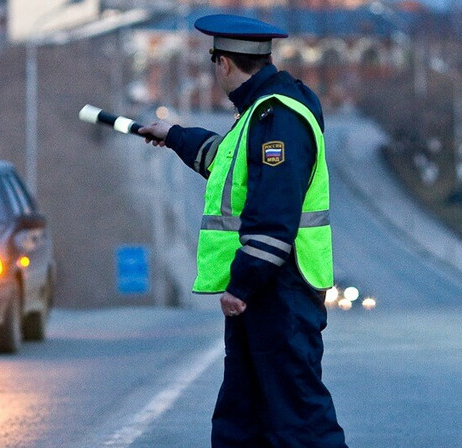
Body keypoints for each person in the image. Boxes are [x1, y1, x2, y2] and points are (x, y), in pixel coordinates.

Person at [138, 14, 348, 448]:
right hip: (265, 297)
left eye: (214, 61)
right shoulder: (260, 113)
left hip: (279, 292)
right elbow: (223, 163)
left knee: (300, 422)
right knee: (243, 421)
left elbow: (275, 214)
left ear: (225, 64)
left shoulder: (279, 119)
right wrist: (173, 135)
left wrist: (242, 284)